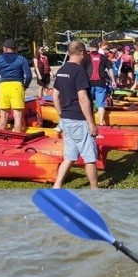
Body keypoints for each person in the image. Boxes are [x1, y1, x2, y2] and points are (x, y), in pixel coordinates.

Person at [51, 40, 99, 189]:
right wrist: (91, 123)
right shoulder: (79, 72)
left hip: (66, 119)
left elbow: (55, 95)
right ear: (82, 53)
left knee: (69, 156)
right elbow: (83, 98)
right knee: (90, 157)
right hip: (79, 119)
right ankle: (95, 189)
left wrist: (61, 113)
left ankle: (57, 186)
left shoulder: (61, 70)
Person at [0, 38, 32, 133]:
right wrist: (25, 86)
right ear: (15, 49)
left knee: (3, 114)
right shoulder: (22, 59)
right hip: (17, 86)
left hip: (4, 86)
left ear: (5, 49)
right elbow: (29, 76)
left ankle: (2, 137)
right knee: (18, 115)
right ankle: (18, 139)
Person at [84, 40, 117, 126]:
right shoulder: (103, 57)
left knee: (88, 102)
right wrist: (113, 80)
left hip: (89, 83)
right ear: (98, 48)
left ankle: (90, 122)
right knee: (101, 103)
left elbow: (80, 71)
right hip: (101, 83)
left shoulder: (85, 57)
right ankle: (101, 121)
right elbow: (110, 69)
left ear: (90, 48)